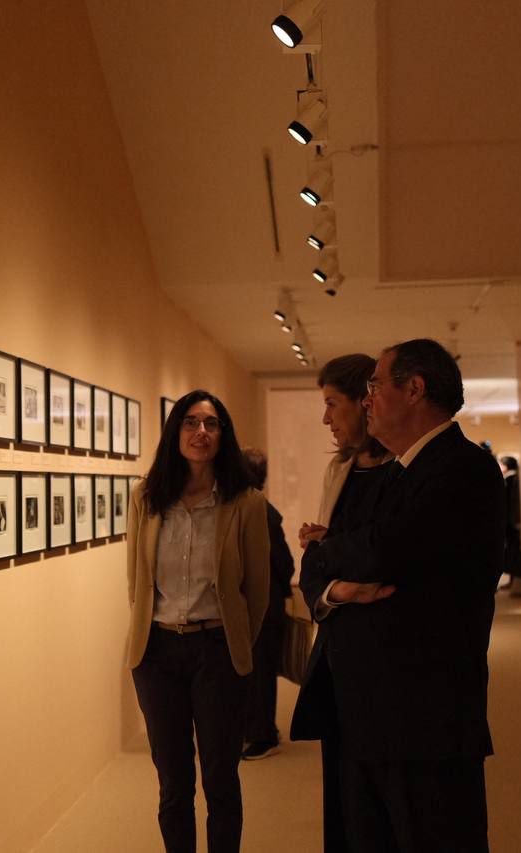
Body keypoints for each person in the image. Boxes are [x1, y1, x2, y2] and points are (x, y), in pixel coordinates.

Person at [298, 339, 505, 851]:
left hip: (425, 721)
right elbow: (357, 552)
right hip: (371, 713)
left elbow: (384, 550)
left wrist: (327, 549)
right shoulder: (403, 471)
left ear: (414, 390)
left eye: (374, 386)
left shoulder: (462, 467)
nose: (366, 400)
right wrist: (338, 571)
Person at [125, 389, 271, 853]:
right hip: (157, 654)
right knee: (173, 782)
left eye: (211, 423)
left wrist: (237, 641)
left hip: (218, 651)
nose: (200, 432)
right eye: (190, 422)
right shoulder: (147, 498)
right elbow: (136, 582)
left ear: (223, 434)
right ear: (175, 432)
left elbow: (258, 590)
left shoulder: (245, 503)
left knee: (220, 778)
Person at [289, 353, 393, 853]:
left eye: (333, 404)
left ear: (364, 403)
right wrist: (339, 590)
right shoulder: (340, 470)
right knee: (344, 797)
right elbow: (315, 566)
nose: (326, 418)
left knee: (385, 806)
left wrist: (331, 550)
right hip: (338, 657)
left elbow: (385, 558)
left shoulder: (404, 473)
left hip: (389, 661)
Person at [240, 447, 295, 761]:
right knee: (256, 669)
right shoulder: (257, 507)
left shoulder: (257, 509)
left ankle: (263, 735)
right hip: (261, 603)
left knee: (260, 670)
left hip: (262, 604)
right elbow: (284, 563)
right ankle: (258, 729)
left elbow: (283, 562)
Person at [500, 456, 521, 598]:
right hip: (513, 523)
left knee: (513, 552)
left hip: (511, 523)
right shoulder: (514, 479)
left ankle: (516, 582)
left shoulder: (509, 480)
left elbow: (509, 505)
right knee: (513, 551)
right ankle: (513, 581)